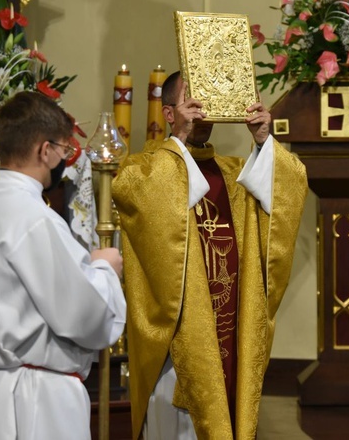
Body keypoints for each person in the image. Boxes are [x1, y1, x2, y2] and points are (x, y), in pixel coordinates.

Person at [113, 71, 307, 439]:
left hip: (232, 328)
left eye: (208, 100)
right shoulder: (139, 170)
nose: (202, 110)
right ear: (169, 113)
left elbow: (290, 188)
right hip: (178, 342)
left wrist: (264, 142)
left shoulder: (238, 174)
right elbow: (151, 199)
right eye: (191, 101)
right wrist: (181, 139)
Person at [0, 91, 127, 440]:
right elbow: (85, 317)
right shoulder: (34, 219)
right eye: (64, 150)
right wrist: (103, 270)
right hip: (30, 403)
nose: (65, 160)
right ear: (45, 150)